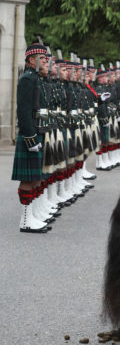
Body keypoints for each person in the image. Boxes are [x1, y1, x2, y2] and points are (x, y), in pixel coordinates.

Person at [11, 44, 52, 233]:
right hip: (32, 133)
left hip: (39, 131)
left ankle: (33, 215)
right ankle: (26, 220)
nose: (45, 61)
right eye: (41, 58)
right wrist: (30, 138)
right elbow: (24, 112)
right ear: (31, 61)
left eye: (45, 58)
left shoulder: (38, 79)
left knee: (37, 178)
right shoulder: (27, 79)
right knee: (28, 179)